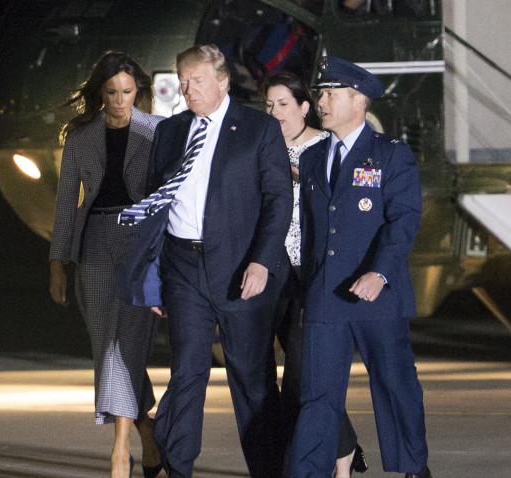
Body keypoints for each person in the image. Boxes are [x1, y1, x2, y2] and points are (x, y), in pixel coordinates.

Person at [116, 44, 293, 478]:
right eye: (183, 81)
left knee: (251, 379)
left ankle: (267, 470)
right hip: (183, 267)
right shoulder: (170, 131)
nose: (188, 89)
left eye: (196, 80)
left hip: (240, 269)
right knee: (186, 374)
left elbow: (278, 200)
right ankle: (179, 469)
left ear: (222, 81)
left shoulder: (257, 129)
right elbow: (157, 204)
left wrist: (262, 261)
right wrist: (154, 277)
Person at [286, 56, 432, 478]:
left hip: (376, 295)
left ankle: (413, 468)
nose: (321, 102)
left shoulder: (390, 154)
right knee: (317, 395)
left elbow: (404, 220)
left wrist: (379, 271)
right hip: (325, 294)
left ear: (358, 100)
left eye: (330, 94)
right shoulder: (313, 158)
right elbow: (312, 228)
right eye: (320, 93)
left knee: (394, 383)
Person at [48, 51, 164, 478]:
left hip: (140, 244)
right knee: (106, 345)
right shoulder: (81, 137)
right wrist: (57, 262)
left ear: (139, 91)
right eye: (112, 92)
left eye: (127, 92)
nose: (119, 100)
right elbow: (66, 202)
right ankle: (147, 430)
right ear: (100, 92)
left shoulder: (156, 132)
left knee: (125, 345)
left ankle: (119, 452)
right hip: (94, 242)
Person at [262, 71, 368, 477]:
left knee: (304, 376)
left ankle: (339, 458)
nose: (276, 113)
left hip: (316, 275)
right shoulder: (263, 147)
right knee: (296, 378)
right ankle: (342, 451)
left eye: (284, 104)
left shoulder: (326, 147)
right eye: (269, 106)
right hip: (275, 274)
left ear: (305, 107)